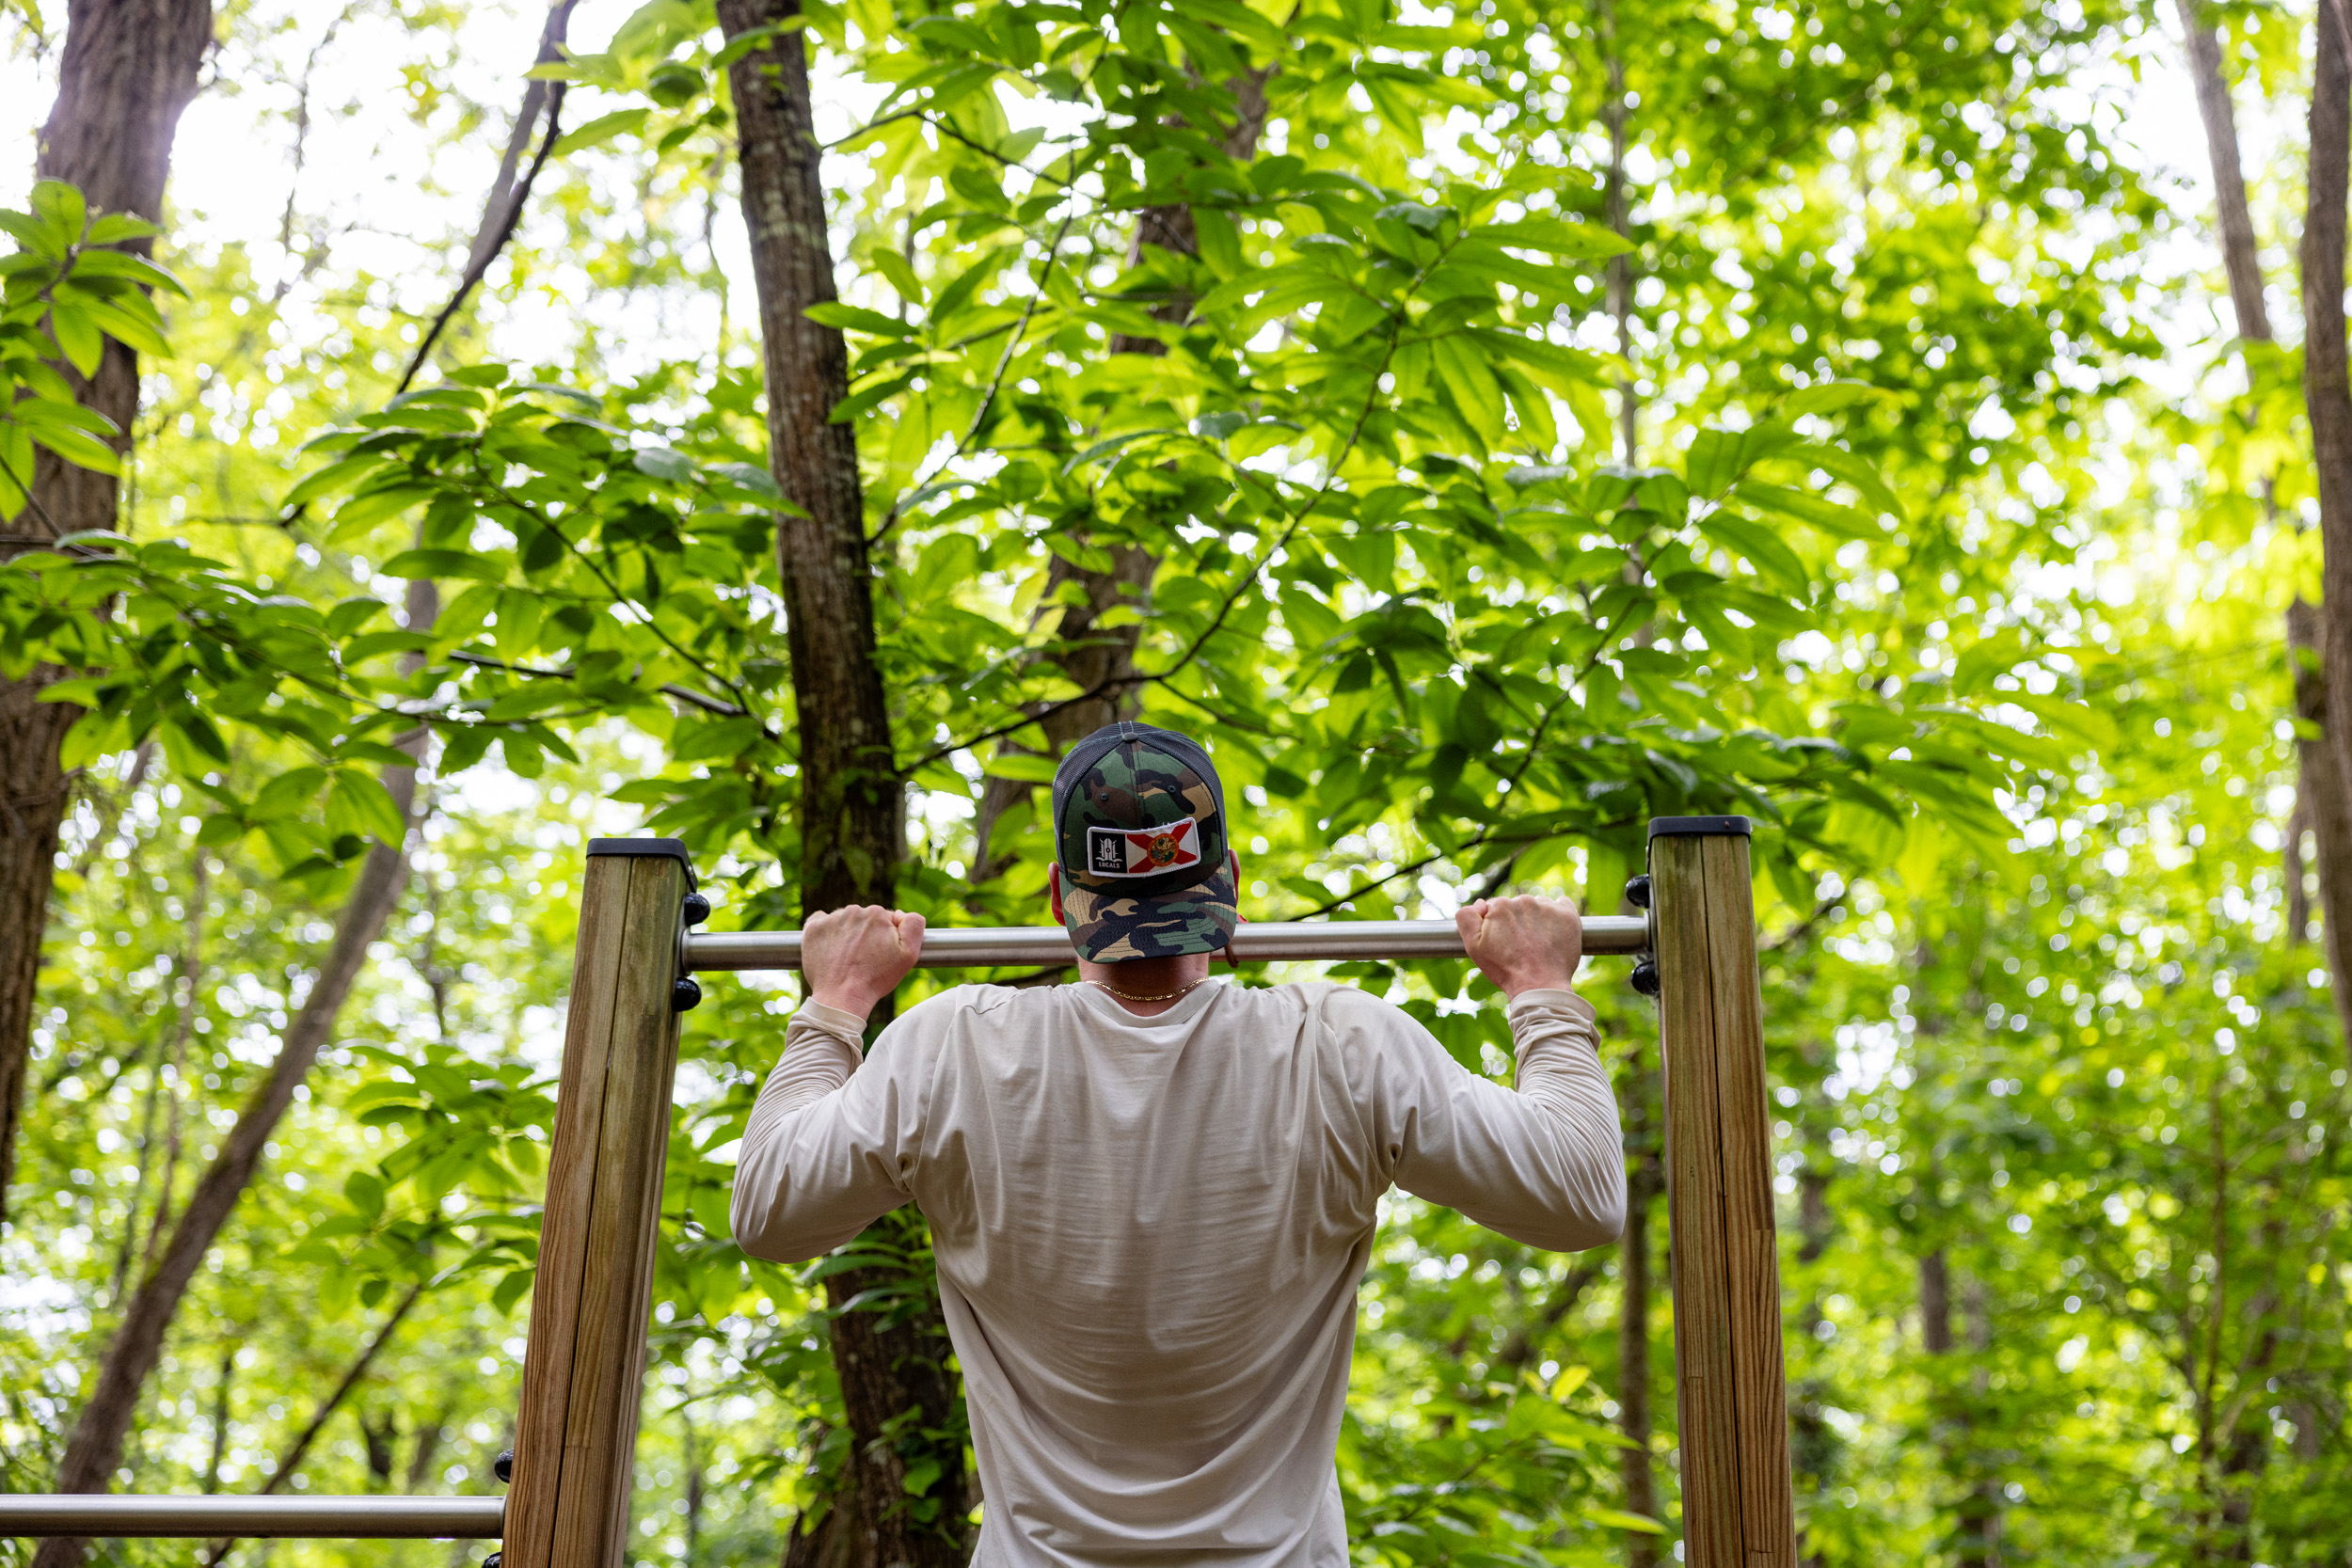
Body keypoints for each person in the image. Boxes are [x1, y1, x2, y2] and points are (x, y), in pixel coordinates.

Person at [732, 721, 1627, 1566]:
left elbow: (769, 1213)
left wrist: (836, 1005)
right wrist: (1540, 989)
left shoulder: (953, 1049)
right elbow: (1582, 1196)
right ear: (1228, 878)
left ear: (1060, 897)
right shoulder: (1340, 1047)